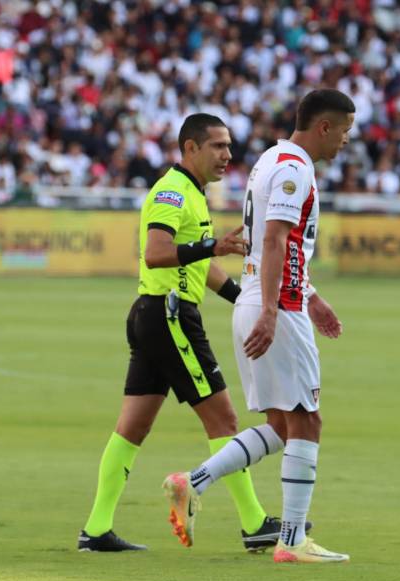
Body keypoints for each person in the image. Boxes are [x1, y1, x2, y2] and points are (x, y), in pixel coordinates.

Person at [163, 89, 355, 564]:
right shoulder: (294, 168)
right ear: (324, 127)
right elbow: (272, 240)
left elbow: (276, 246)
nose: (346, 142)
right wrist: (276, 308)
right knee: (307, 419)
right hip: (274, 305)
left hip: (262, 298)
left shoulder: (271, 159)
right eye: (345, 131)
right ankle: (291, 540)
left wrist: (310, 297)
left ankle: (193, 482)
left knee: (281, 423)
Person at [78, 113, 285, 552]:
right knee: (225, 420)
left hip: (154, 314)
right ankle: (254, 524)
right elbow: (157, 254)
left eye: (229, 146)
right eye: (217, 146)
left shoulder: (192, 193)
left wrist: (242, 299)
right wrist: (214, 244)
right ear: (189, 148)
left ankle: (96, 529)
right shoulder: (173, 191)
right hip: (170, 316)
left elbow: (199, 264)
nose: (227, 155)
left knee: (131, 428)